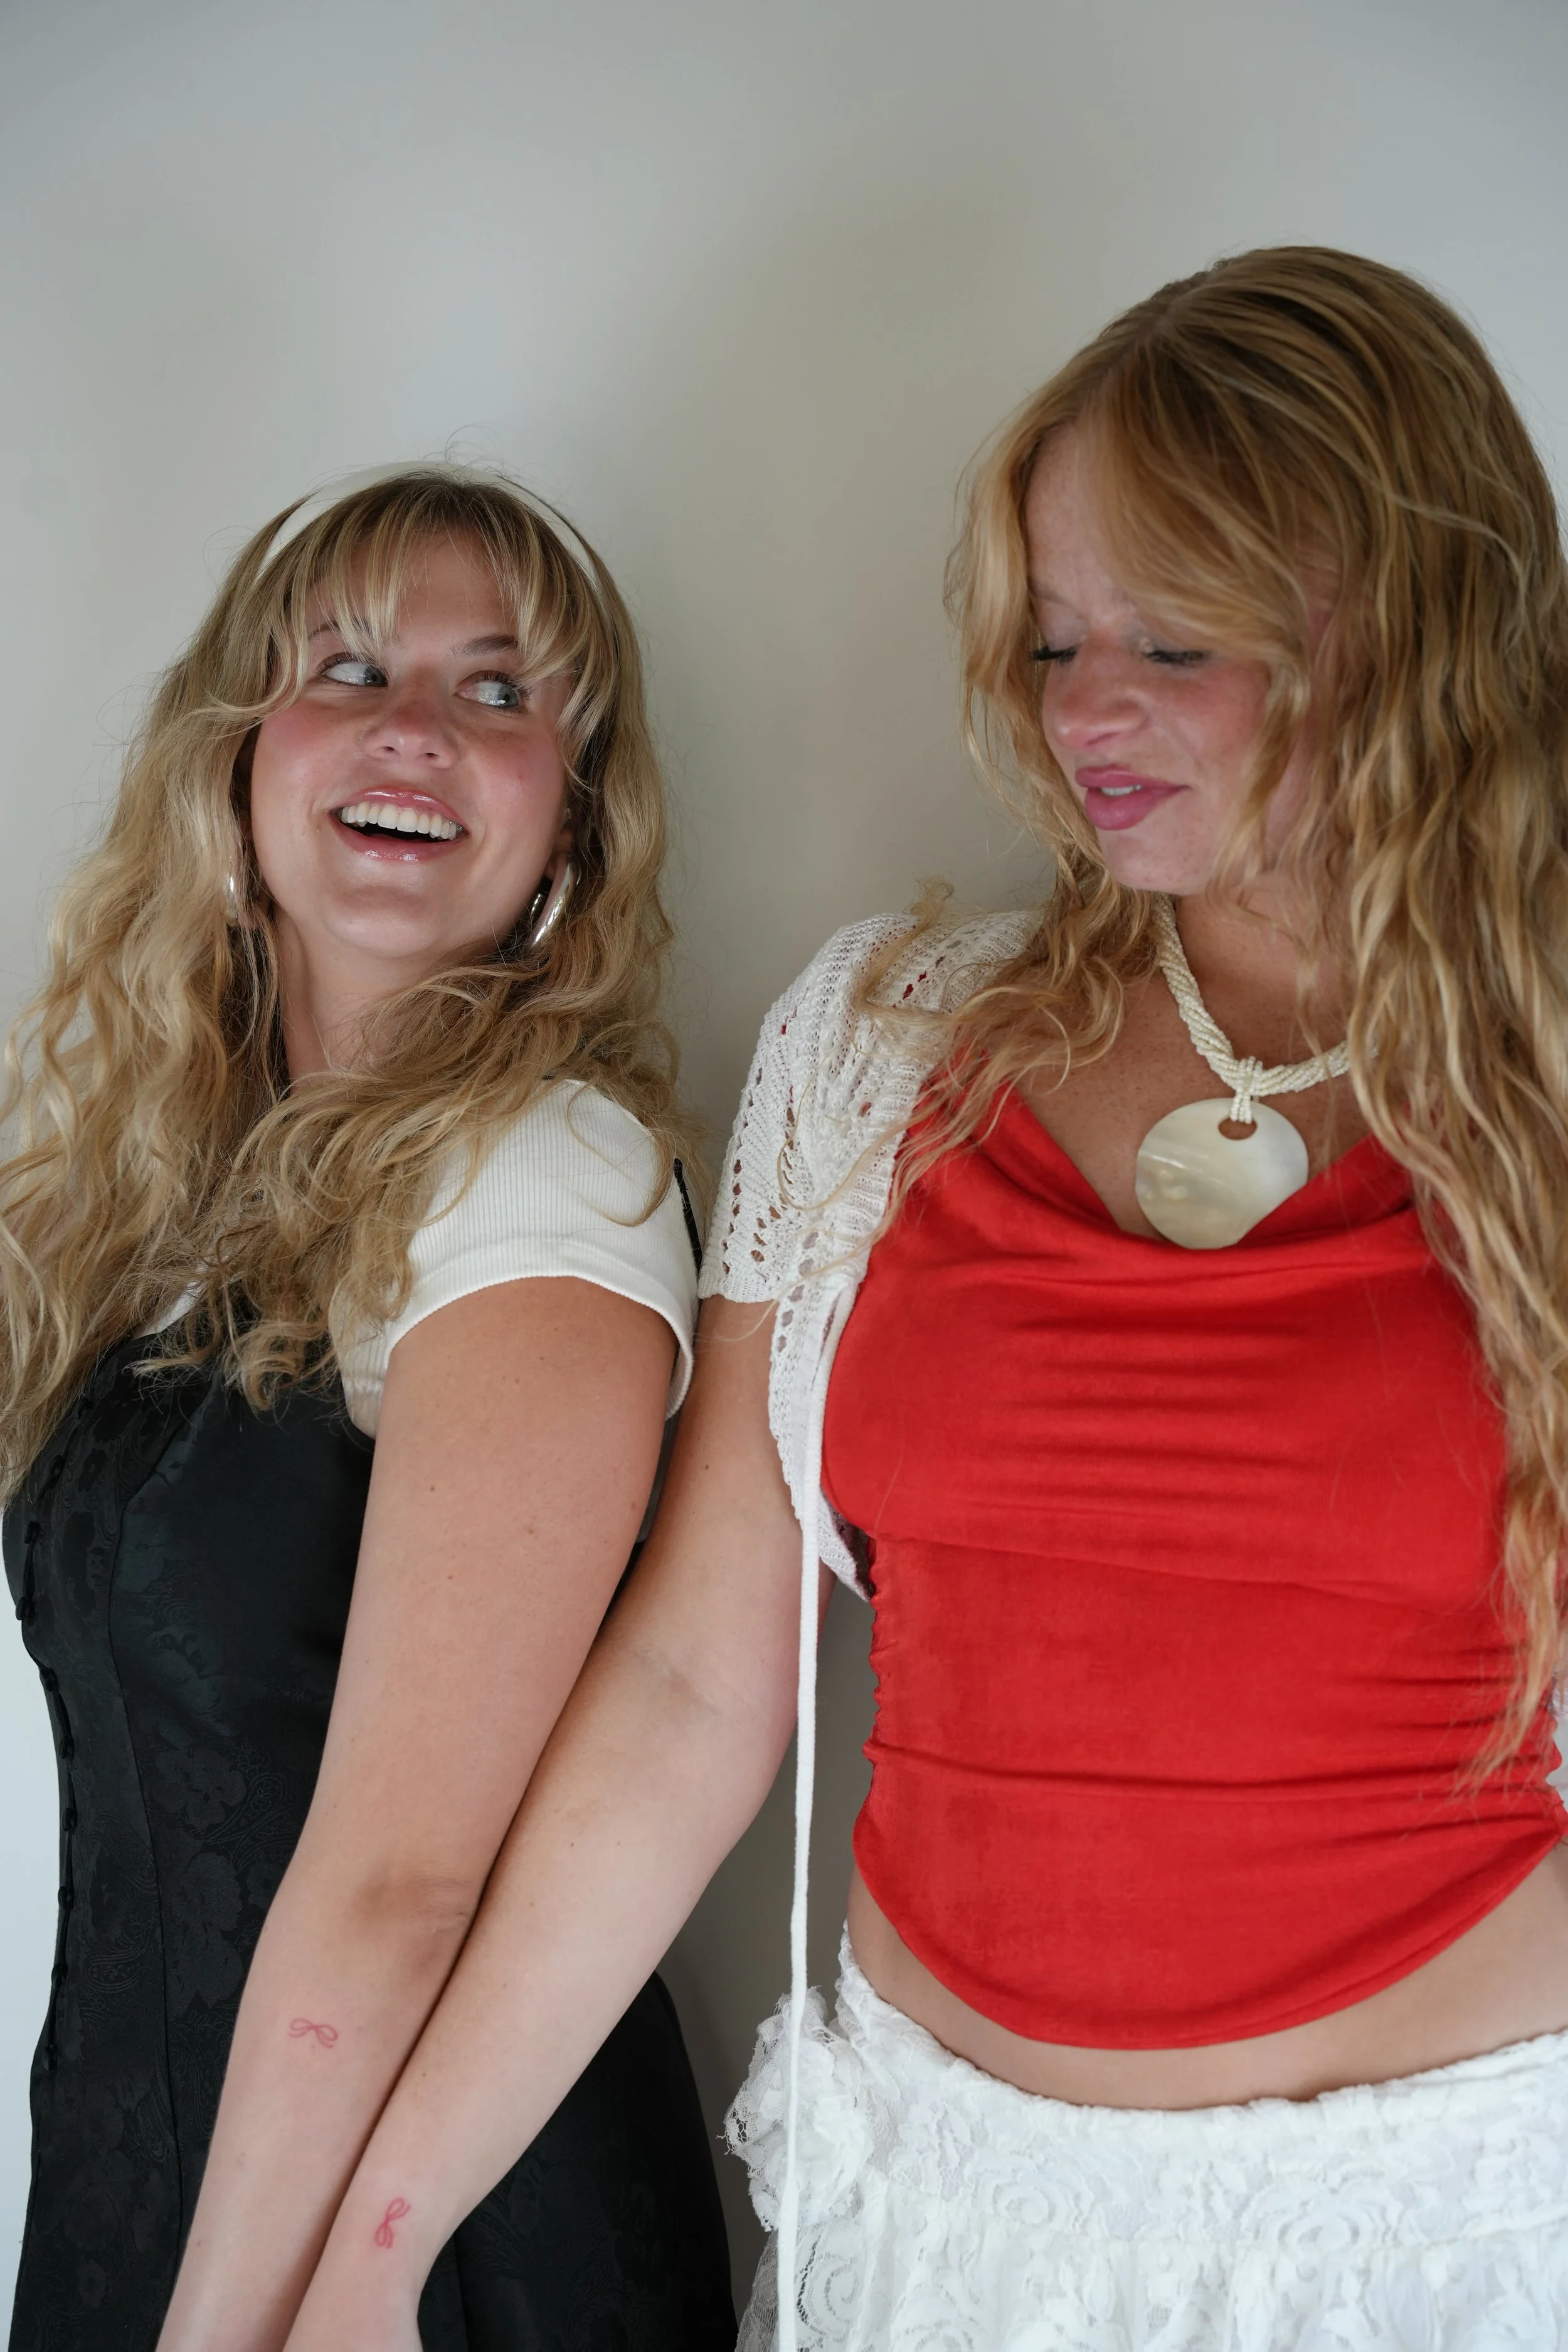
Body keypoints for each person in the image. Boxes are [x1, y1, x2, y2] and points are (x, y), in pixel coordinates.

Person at [287, 248, 1568, 2351]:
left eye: (1176, 637)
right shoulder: (890, 1045)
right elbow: (696, 1690)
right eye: (1055, 633)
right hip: (935, 2231)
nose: (1083, 707)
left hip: (1432, 2242)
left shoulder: (1531, 1090)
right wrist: (376, 2244)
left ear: (1411, 634)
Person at [0, 466, 735, 2352]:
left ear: (569, 826)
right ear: (236, 765)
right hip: (163, 2168)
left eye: (503, 691)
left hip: (412, 2263)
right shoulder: (186, 1189)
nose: (416, 724)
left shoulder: (540, 1178)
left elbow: (410, 1884)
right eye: (347, 666)